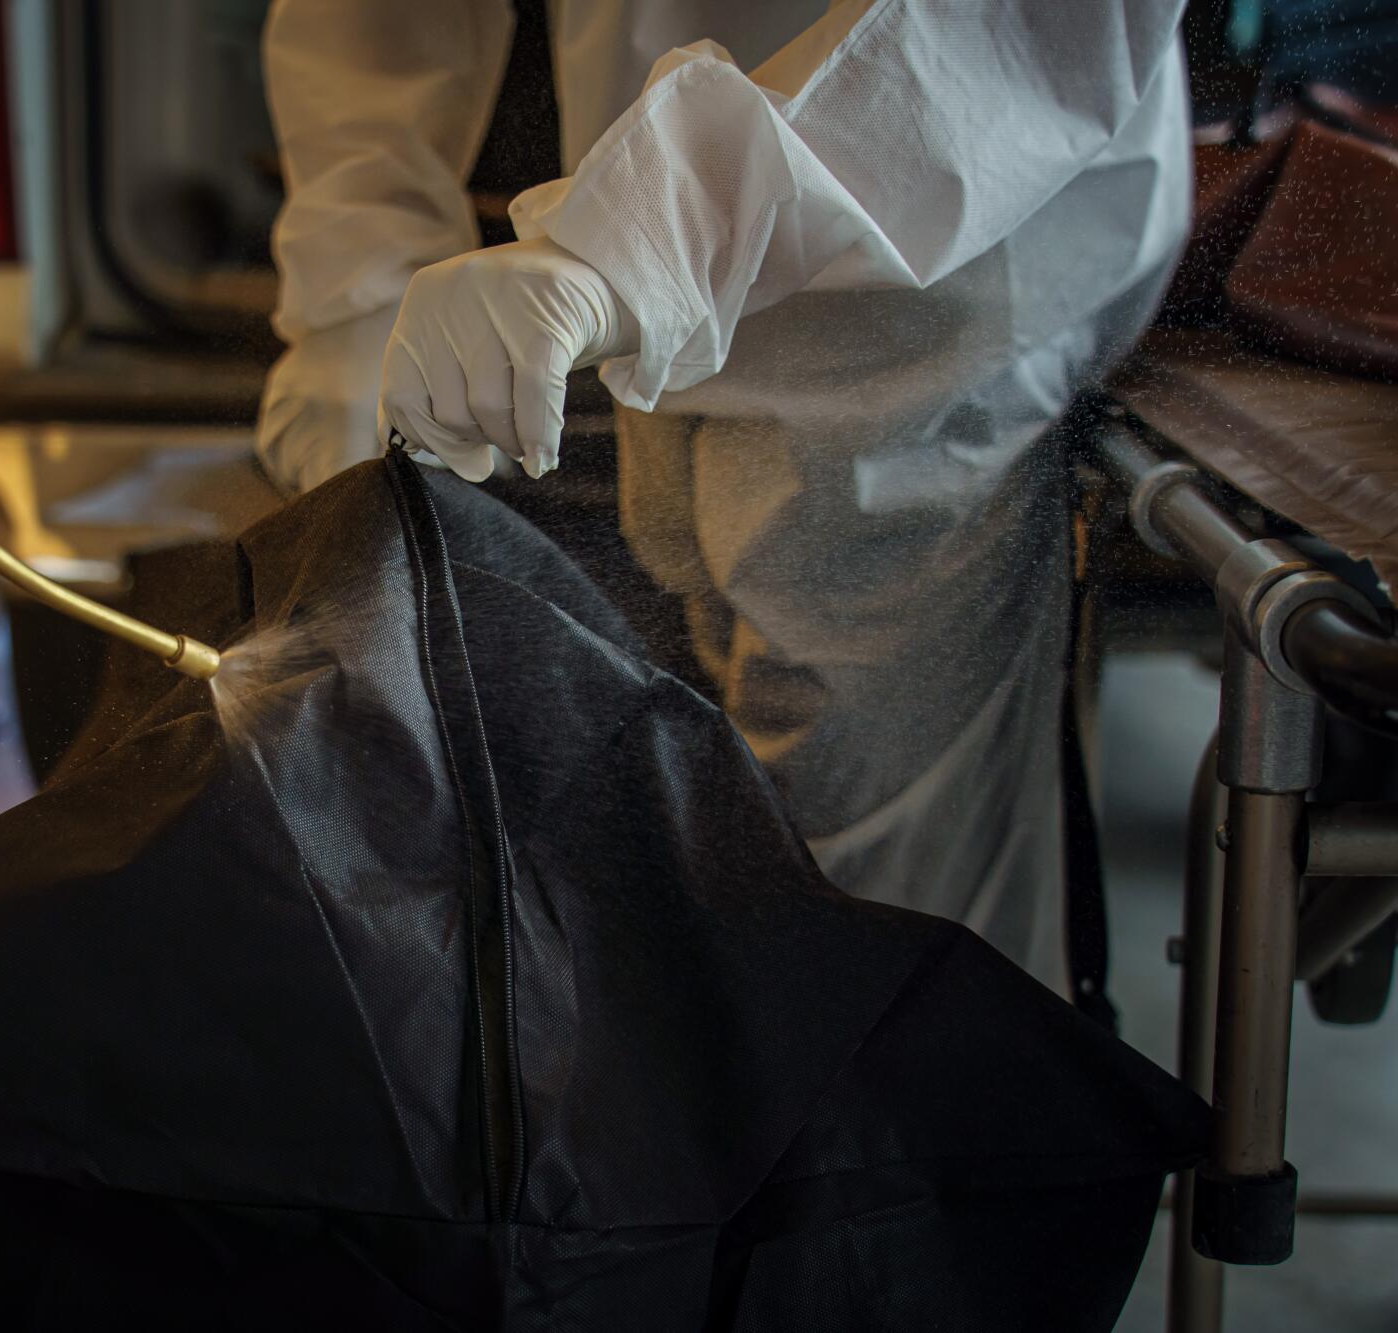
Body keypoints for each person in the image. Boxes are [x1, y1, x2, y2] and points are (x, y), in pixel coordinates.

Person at [255, 0, 1191, 992]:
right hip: (645, 239)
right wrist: (361, 265)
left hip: (941, 260)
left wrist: (627, 252)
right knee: (717, 743)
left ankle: (898, 1120)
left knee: (877, 868)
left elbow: (1002, 36)